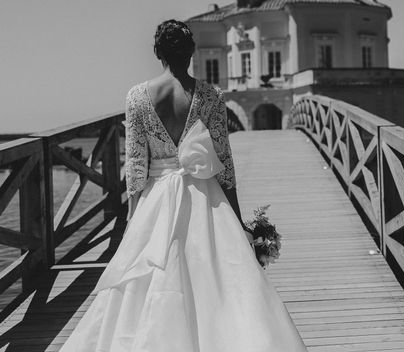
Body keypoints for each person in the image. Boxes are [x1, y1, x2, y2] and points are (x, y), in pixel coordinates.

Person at [59, 20, 307, 351]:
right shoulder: (211, 95)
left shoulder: (137, 97)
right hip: (207, 195)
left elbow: (134, 166)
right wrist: (237, 220)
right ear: (192, 53)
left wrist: (134, 221)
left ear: (157, 53)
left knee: (148, 284)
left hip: (156, 198)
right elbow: (224, 162)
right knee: (221, 282)